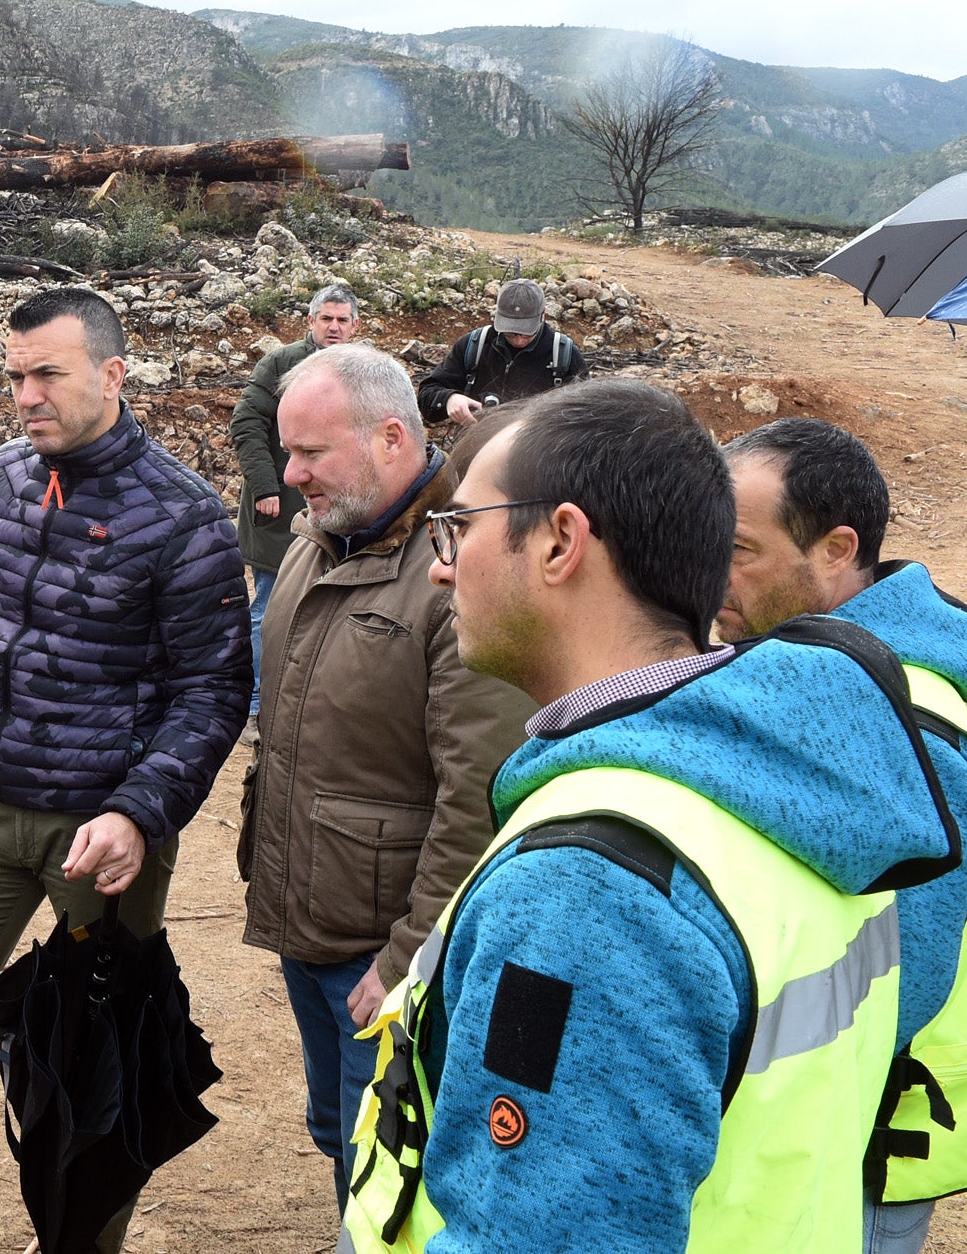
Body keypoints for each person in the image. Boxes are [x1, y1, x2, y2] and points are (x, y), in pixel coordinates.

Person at [343, 380, 958, 1253]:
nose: (440, 564)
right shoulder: (791, 775)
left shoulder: (589, 888)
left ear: (561, 541)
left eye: (460, 527)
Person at [0, 286, 252, 1254]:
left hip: (102, 837)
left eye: (46, 374)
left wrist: (140, 813)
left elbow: (213, 691)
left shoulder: (183, 516)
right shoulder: (0, 478)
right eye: (15, 375)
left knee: (92, 1054)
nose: (24, 394)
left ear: (112, 373)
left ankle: (79, 1241)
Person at [239, 345, 531, 1214]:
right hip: (310, 920)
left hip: (385, 953)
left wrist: (409, 959)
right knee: (341, 1130)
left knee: (399, 1151)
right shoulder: (316, 540)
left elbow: (478, 794)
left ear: (392, 436)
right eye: (286, 454)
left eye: (311, 454)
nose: (290, 477)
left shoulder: (459, 568)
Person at [718, 418, 967, 1254]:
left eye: (740, 549)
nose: (710, 572)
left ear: (836, 549)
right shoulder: (858, 667)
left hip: (862, 1135)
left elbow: (900, 982)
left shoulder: (902, 722)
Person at [231, 282, 361, 712]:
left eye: (343, 319)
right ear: (310, 321)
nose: (334, 327)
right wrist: (266, 486)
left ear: (355, 325)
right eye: (327, 318)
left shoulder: (360, 370)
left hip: (337, 514)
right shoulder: (282, 363)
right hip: (280, 508)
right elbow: (246, 421)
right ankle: (253, 701)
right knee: (269, 608)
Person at [416, 277, 587, 425]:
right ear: (497, 315)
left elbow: (586, 416)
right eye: (510, 332)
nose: (519, 340)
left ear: (543, 314)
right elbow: (427, 394)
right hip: (476, 449)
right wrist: (449, 399)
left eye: (527, 332)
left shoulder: (564, 355)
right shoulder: (474, 345)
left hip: (538, 455)